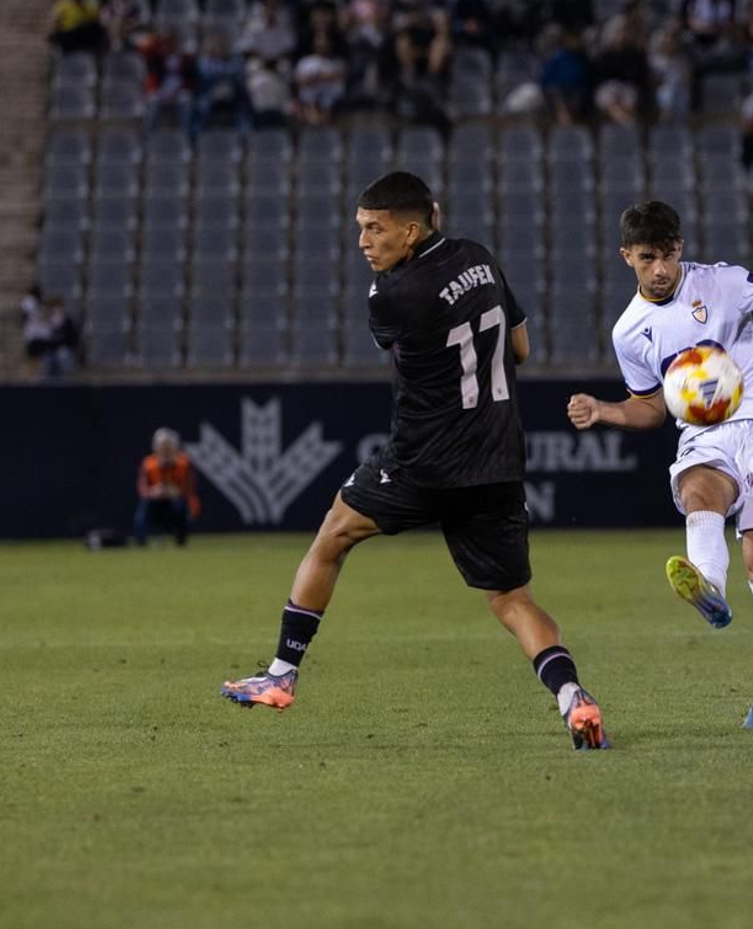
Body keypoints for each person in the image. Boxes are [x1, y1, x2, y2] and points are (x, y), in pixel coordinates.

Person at [221, 172, 610, 751]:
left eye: (375, 229)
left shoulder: (391, 296)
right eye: (360, 228)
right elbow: (521, 348)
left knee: (332, 537)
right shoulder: (480, 256)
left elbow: (400, 343)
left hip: (423, 460)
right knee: (511, 599)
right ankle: (572, 696)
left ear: (411, 229)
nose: (363, 242)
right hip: (498, 459)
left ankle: (280, 676)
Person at [565, 201, 753, 729]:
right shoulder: (629, 332)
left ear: (681, 247)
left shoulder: (722, 282)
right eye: (648, 257)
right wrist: (606, 410)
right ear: (626, 255)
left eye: (669, 254)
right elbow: (653, 407)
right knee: (698, 486)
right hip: (703, 433)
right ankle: (710, 589)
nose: (660, 268)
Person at [134, 428, 199, 547]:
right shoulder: (148, 464)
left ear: (175, 448)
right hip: (155, 503)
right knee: (144, 506)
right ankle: (141, 542)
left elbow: (190, 489)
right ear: (156, 448)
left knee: (181, 505)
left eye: (168, 447)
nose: (165, 451)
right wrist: (154, 492)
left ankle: (181, 540)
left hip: (175, 502)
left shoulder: (184, 463)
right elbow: (142, 490)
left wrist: (176, 491)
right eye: (162, 447)